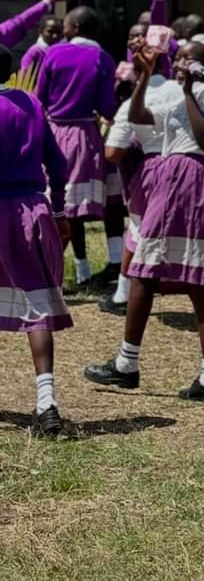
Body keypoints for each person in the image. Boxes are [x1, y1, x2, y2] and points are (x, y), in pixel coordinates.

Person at [84, 42, 204, 404]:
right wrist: (145, 77)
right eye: (178, 58)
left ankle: (127, 364)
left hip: (186, 177)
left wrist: (187, 91)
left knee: (152, 273)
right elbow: (137, 118)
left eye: (186, 58)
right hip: (182, 180)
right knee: (183, 279)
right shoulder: (179, 95)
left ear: (202, 66)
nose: (179, 62)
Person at [0, 45, 73, 436]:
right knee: (36, 306)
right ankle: (47, 402)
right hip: (32, 211)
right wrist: (59, 212)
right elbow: (58, 165)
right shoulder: (29, 104)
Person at [98, 25, 178, 315]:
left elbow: (113, 152)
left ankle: (123, 293)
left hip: (151, 170)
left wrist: (134, 141)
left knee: (136, 228)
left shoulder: (132, 104)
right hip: (187, 169)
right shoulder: (181, 91)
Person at [36, 6, 117, 286]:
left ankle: (64, 268)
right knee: (76, 210)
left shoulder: (54, 53)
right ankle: (80, 270)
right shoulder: (103, 58)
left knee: (60, 206)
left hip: (54, 131)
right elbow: (107, 106)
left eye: (66, 25)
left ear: (74, 28)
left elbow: (40, 97)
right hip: (85, 134)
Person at [0, 0, 88, 50]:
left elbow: (22, 22)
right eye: (50, 32)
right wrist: (49, 0)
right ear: (40, 32)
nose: (55, 36)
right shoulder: (35, 53)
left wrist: (49, 1)